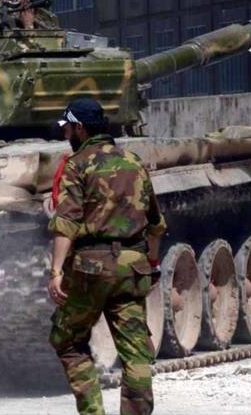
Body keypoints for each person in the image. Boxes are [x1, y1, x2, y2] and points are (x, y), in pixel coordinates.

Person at [47, 98, 167, 415]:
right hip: (132, 270)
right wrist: (153, 264)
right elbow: (155, 224)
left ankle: (92, 411)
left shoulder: (77, 164)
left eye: (68, 128)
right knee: (136, 353)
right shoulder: (133, 162)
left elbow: (66, 222)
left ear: (79, 128)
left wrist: (56, 271)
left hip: (90, 270)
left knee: (67, 339)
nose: (65, 134)